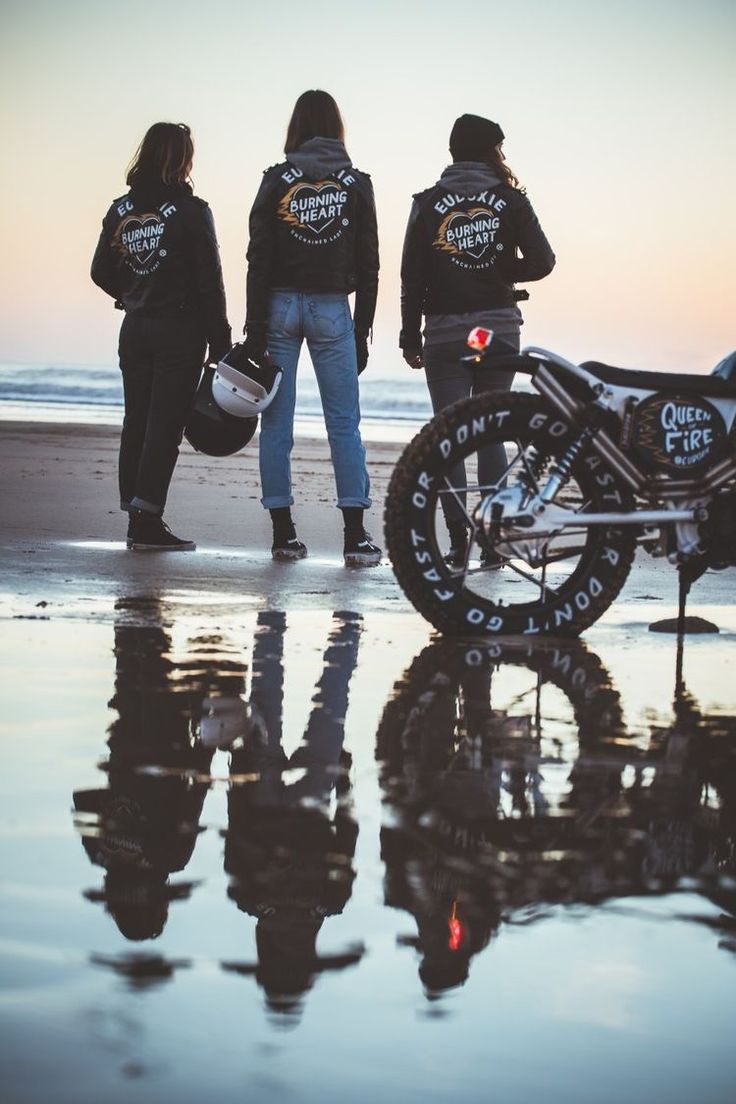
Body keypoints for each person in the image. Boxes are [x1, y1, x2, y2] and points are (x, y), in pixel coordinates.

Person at [400, 113, 555, 565]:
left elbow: (412, 276)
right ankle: (490, 542)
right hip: (492, 333)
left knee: (450, 437)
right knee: (490, 434)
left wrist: (410, 335)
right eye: (499, 147)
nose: (504, 156)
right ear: (489, 151)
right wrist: (505, 271)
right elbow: (543, 261)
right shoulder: (511, 200)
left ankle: (456, 541)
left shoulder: (427, 204)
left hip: (446, 335)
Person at [243, 90, 381, 566]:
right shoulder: (357, 183)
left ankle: (283, 536)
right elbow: (370, 266)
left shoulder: (274, 180)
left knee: (276, 422)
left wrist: (254, 328)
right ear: (338, 128)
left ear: (296, 127)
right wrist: (362, 331)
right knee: (343, 423)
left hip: (279, 304)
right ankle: (355, 539)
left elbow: (257, 258)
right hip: (331, 308)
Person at [91, 122, 231, 551]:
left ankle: (136, 511)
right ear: (182, 160)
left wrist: (131, 294)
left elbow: (100, 271)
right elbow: (210, 280)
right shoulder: (192, 211)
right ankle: (146, 521)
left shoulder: (120, 210)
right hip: (179, 330)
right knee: (164, 426)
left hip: (134, 329)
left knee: (137, 419)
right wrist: (221, 342)